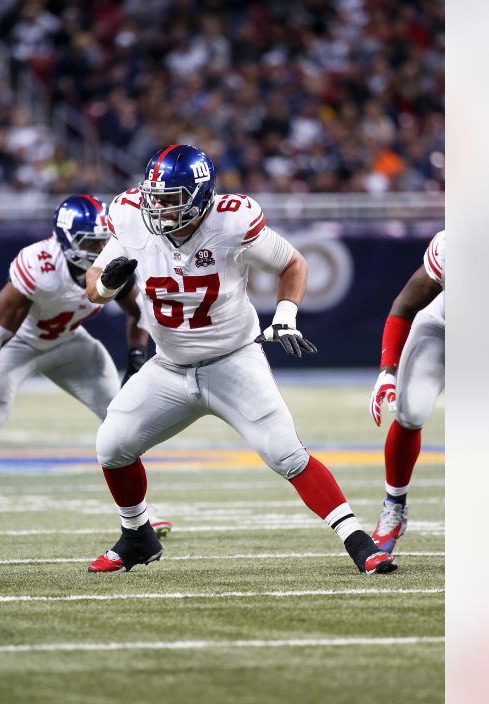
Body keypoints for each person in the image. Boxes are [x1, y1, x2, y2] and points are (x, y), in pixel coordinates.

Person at [82, 144, 398, 574]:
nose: (160, 208)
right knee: (112, 444)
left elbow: (293, 264)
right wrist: (104, 288)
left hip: (233, 360)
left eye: (171, 199)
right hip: (169, 367)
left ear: (199, 196)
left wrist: (285, 316)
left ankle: (359, 543)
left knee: (286, 452)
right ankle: (138, 535)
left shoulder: (231, 221)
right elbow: (94, 285)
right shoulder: (129, 215)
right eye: (155, 197)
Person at [0, 194, 170, 535]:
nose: (98, 247)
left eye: (102, 238)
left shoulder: (110, 262)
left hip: (70, 345)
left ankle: (143, 516)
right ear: (66, 239)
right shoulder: (39, 266)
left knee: (122, 426)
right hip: (18, 347)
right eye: (90, 240)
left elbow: (140, 313)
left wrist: (135, 359)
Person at [367, 230, 445, 552]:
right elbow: (405, 304)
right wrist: (387, 371)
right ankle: (394, 508)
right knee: (410, 411)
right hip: (444, 329)